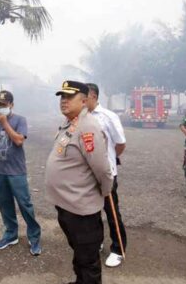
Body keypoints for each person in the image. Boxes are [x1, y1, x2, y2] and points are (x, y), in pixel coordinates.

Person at [45, 80, 114, 284]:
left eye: (69, 96)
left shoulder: (88, 127)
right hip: (67, 205)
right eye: (62, 96)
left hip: (81, 209)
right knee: (80, 253)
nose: (63, 101)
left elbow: (102, 169)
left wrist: (105, 191)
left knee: (88, 259)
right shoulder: (71, 123)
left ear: (84, 101)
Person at [0, 90, 42, 255]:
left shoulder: (20, 120)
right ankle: (11, 234)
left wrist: (5, 123)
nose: (0, 107)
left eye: (4, 104)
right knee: (4, 204)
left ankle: (34, 237)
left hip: (16, 171)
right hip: (0, 171)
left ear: (11, 105)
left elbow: (19, 140)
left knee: (25, 204)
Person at [86, 83, 127, 268]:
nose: (80, 101)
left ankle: (118, 249)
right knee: (92, 212)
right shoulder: (80, 117)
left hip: (106, 173)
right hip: (87, 174)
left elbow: (120, 144)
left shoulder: (108, 116)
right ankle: (97, 242)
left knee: (111, 211)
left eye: (83, 97)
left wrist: (109, 160)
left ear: (93, 96)